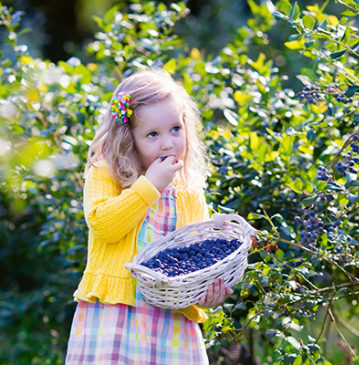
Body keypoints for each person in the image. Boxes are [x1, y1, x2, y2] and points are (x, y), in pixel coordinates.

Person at [65, 69, 234, 364]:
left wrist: (207, 294)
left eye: (175, 129)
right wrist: (150, 186)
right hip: (114, 322)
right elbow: (104, 226)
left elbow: (195, 261)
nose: (167, 143)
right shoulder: (107, 172)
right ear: (128, 138)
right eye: (152, 134)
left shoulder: (189, 193)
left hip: (172, 328)